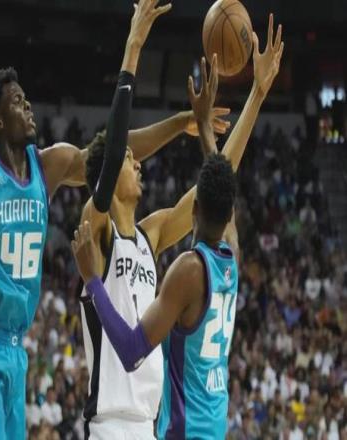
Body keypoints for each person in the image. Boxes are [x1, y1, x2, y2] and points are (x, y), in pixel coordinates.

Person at [0, 0, 232, 439]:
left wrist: (183, 121)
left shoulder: (49, 166)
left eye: (25, 98)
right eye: (17, 102)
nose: (28, 106)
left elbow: (110, 150)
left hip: (17, 350)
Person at [72, 14, 284, 440]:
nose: (138, 163)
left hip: (150, 425)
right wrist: (133, 48)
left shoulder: (150, 235)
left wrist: (254, 98)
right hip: (110, 424)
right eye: (129, 159)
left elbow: (216, 181)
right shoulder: (96, 231)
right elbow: (111, 157)